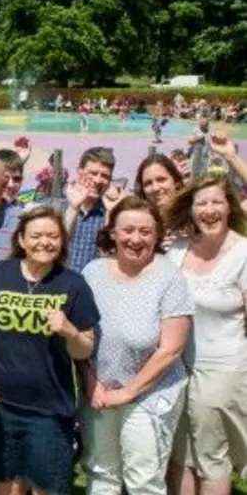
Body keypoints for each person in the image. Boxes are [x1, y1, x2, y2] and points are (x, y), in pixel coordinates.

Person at [0, 206, 99, 495]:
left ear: (62, 241)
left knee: (47, 486)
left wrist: (69, 330)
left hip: (48, 408)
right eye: (36, 235)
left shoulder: (73, 284)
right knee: (5, 482)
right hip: (0, 404)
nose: (44, 242)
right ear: (21, 240)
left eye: (52, 236)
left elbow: (85, 349)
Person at [80, 196, 193, 495]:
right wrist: (93, 384)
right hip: (100, 390)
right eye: (128, 230)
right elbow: (81, 336)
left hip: (150, 393)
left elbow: (171, 348)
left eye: (145, 232)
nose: (135, 239)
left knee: (143, 479)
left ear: (156, 236)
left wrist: (128, 392)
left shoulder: (169, 277)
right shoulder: (92, 272)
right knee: (101, 472)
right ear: (113, 232)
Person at [165, 176, 247, 495]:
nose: (209, 210)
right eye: (202, 203)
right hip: (175, 368)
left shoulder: (243, 253)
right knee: (180, 454)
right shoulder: (177, 249)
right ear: (191, 209)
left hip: (223, 369)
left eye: (217, 202)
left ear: (229, 207)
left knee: (212, 457)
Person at [44, 147, 117, 272]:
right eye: (93, 173)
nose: (98, 180)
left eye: (104, 176)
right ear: (79, 172)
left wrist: (111, 213)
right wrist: (74, 208)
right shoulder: (56, 207)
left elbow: (110, 256)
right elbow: (51, 246)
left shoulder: (108, 212)